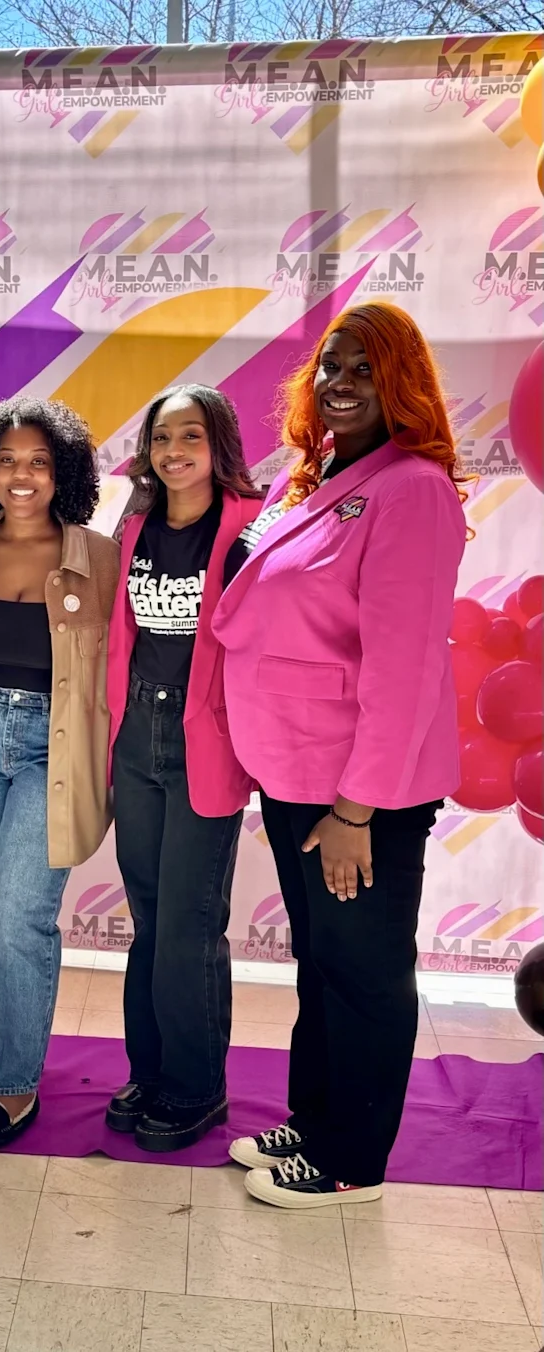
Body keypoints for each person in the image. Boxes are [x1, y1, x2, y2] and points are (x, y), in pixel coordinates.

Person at [212, 301, 468, 1207]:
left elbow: (403, 670)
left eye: (364, 367)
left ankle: (353, 1158)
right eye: (330, 365)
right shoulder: (322, 477)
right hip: (296, 774)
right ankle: (316, 1116)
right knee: (323, 960)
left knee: (362, 970)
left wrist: (358, 811)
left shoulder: (413, 489)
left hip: (360, 795)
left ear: (401, 381)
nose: (342, 382)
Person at [0, 396, 119, 1151]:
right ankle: (17, 1046)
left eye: (39, 460)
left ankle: (16, 1084)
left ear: (63, 470)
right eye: (7, 459)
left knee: (21, 912)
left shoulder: (98, 555)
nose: (23, 474)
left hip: (55, 746)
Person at [104, 385, 261, 1152]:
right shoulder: (133, 528)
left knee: (190, 929)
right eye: (162, 438)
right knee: (149, 921)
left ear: (218, 444)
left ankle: (199, 1088)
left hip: (207, 741)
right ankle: (151, 1069)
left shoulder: (248, 532)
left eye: (190, 437)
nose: (174, 452)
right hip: (137, 737)